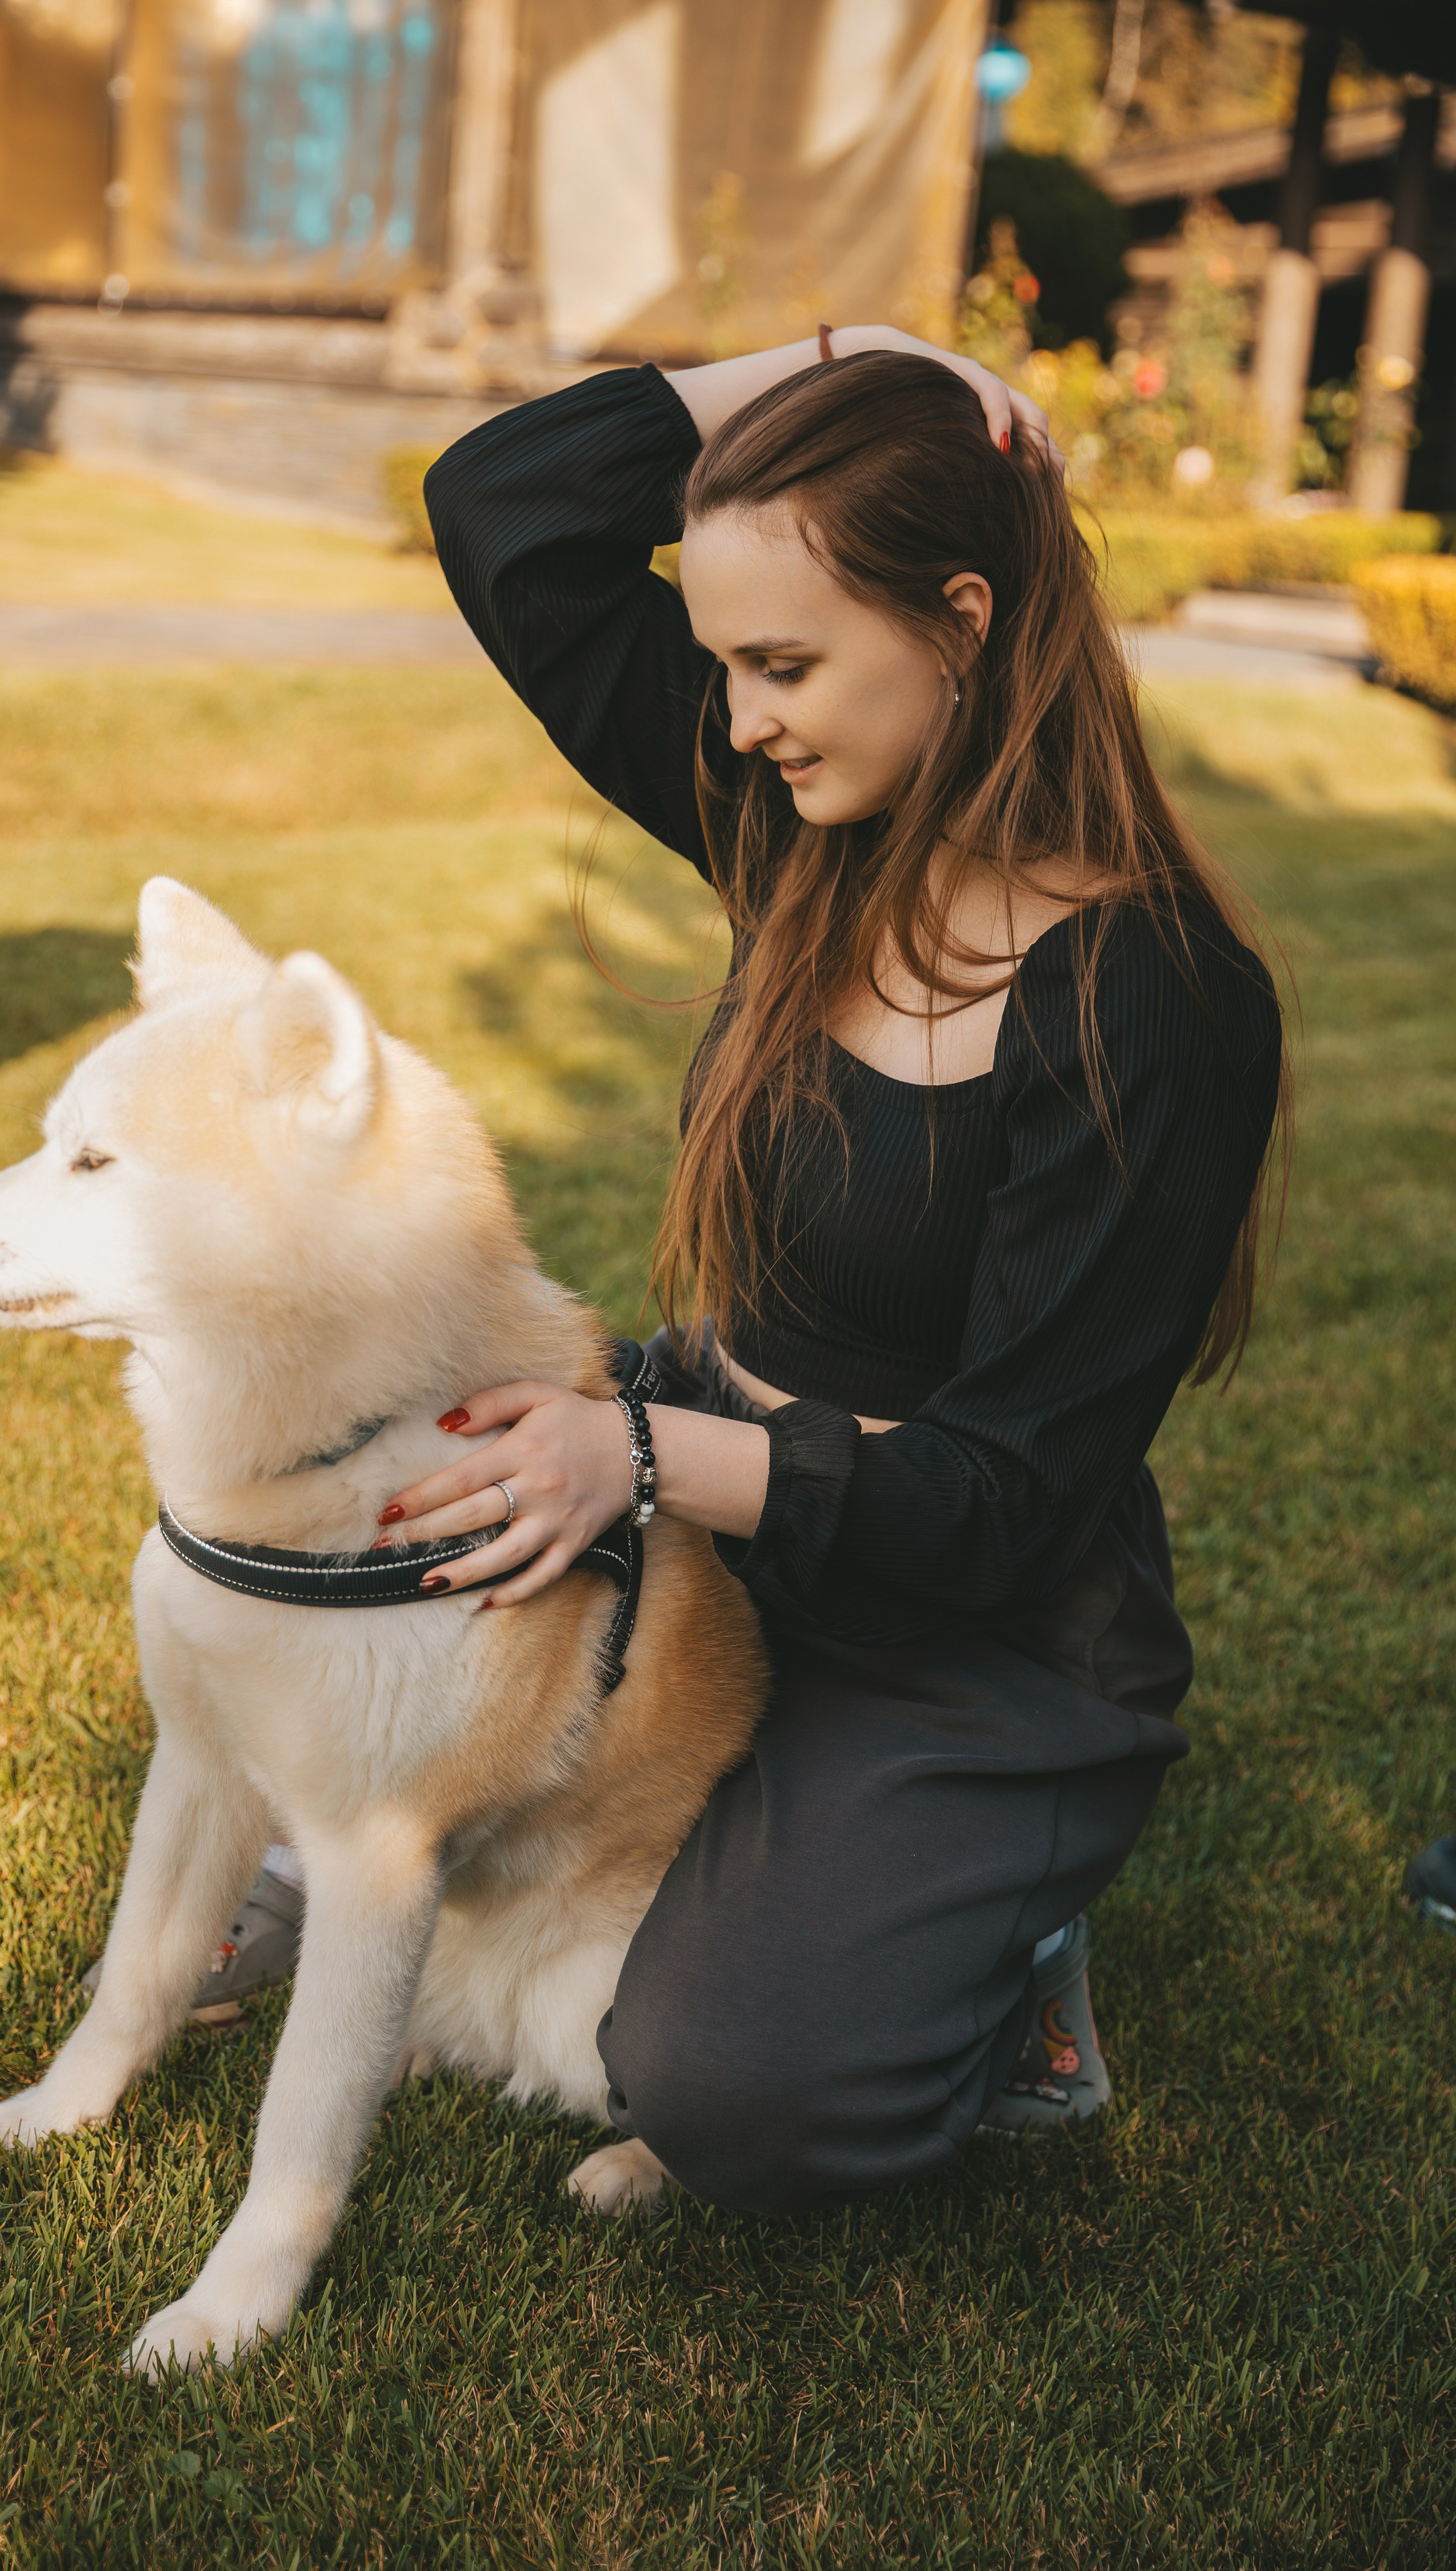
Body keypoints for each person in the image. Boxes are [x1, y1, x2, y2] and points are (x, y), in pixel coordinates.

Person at [185, 327, 1287, 2213]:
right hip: (703, 1502)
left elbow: (1010, 1503)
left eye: (784, 662)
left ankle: (993, 1968)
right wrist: (852, 353)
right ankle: (488, 1830)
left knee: (721, 2086)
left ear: (962, 622)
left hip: (974, 1629)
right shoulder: (802, 827)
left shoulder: (1156, 998)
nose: (746, 715)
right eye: (721, 666)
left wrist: (636, 1458)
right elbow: (504, 515)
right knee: (375, 1491)